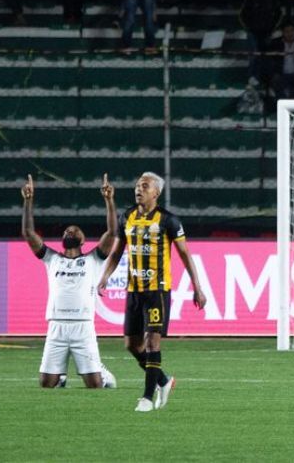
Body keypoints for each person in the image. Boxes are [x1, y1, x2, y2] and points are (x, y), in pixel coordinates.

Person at [98, 172, 208, 412]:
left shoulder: (169, 221)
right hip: (133, 291)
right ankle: (163, 381)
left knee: (151, 343)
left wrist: (197, 287)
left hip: (157, 291)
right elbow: (117, 252)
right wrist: (104, 277)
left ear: (156, 192)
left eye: (145, 186)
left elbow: (185, 255)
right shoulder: (127, 217)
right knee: (131, 345)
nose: (139, 189)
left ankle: (147, 398)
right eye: (137, 185)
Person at [22, 173, 117, 389]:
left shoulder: (93, 259)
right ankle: (60, 377)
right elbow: (28, 232)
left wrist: (109, 200)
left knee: (95, 385)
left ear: (83, 240)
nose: (70, 230)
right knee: (46, 384)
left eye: (74, 230)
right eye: (67, 230)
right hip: (56, 325)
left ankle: (101, 371)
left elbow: (112, 231)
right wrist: (28, 201)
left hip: (83, 326)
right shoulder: (51, 259)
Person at [239, 0, 284, 83]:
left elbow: (279, 14)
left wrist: (273, 28)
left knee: (266, 56)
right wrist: (248, 28)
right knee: (254, 55)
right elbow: (242, 15)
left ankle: (265, 78)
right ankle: (253, 77)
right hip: (253, 33)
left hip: (267, 33)